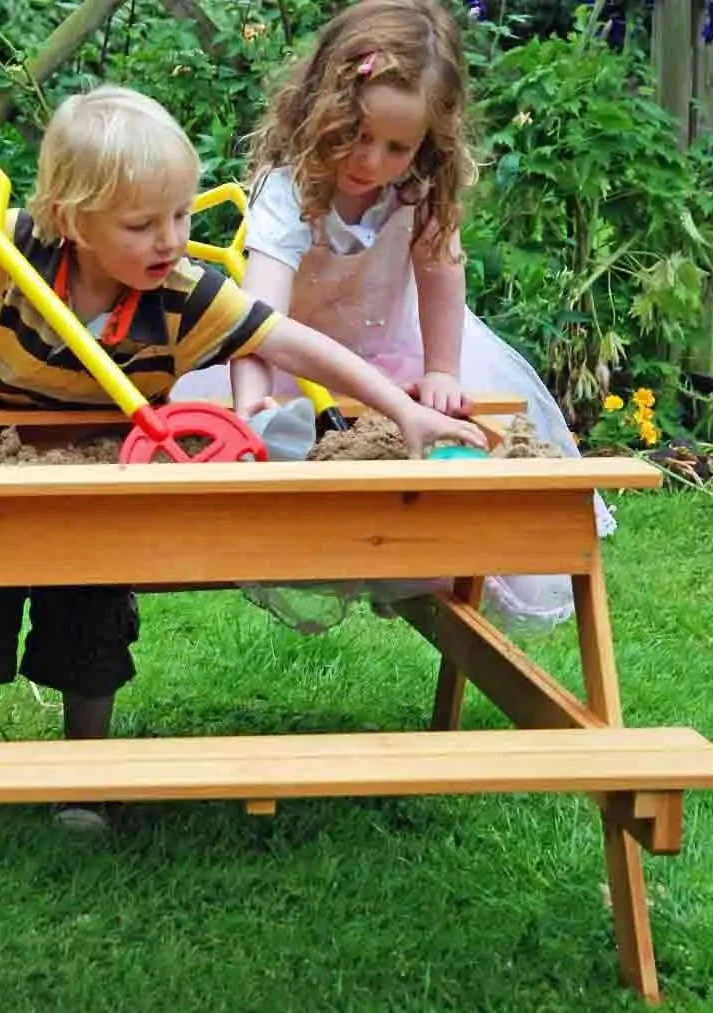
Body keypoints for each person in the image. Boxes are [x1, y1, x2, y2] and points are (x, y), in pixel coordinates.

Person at [0, 84, 485, 830]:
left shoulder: (186, 293)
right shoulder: (25, 245)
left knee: (90, 618)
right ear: (72, 219)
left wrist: (402, 409)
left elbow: (291, 343)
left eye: (180, 215)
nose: (170, 240)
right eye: (142, 224)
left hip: (108, 471)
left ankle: (83, 779)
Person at [171, 0, 616, 630]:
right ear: (321, 110)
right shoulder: (290, 187)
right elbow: (259, 313)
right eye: (355, 135)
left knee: (454, 452)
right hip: (296, 358)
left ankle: (423, 562)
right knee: (289, 476)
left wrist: (441, 367)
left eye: (396, 146)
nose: (371, 161)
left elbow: (440, 276)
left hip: (396, 352)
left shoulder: (422, 188)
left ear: (428, 143)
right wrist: (252, 399)